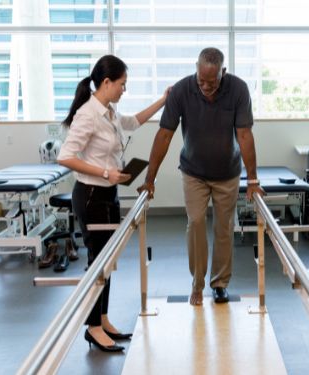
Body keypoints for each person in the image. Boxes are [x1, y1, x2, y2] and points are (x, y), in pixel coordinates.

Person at [57, 55, 169, 352]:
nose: (124, 90)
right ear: (106, 82)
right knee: (97, 263)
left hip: (108, 193)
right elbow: (65, 157)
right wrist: (107, 172)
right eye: (122, 84)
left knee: (108, 263)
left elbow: (133, 122)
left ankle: (103, 319)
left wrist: (163, 101)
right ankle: (93, 328)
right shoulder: (87, 114)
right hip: (91, 195)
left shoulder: (109, 111)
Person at [137, 47, 264, 306]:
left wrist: (252, 180)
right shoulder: (183, 90)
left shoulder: (238, 90)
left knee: (223, 228)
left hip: (227, 173)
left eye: (212, 81)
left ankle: (219, 283)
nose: (206, 86)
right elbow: (164, 135)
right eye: (201, 80)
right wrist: (149, 179)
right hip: (194, 172)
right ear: (196, 68)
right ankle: (197, 282)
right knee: (195, 222)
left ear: (223, 73)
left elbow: (245, 136)